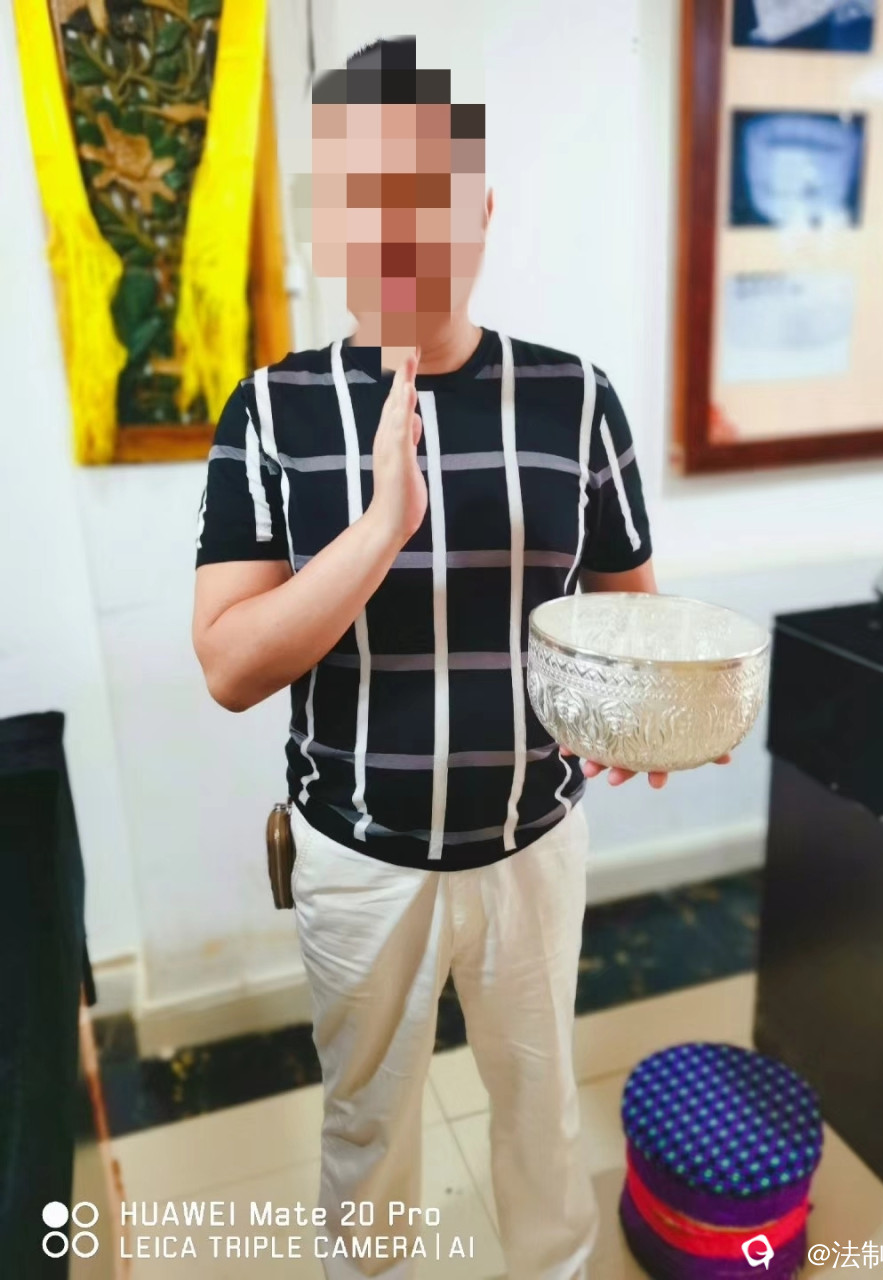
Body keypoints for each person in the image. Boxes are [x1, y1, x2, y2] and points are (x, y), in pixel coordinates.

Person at [192, 35, 727, 1280]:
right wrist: (379, 530)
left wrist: (652, 708)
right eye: (358, 199)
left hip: (533, 844)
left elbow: (632, 616)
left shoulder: (575, 398)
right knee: (366, 1124)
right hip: (354, 851)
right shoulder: (271, 408)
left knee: (541, 1118)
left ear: (476, 210)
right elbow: (229, 664)